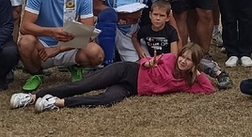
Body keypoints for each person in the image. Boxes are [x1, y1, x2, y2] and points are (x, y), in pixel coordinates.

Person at [11, 44, 213, 111]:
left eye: (189, 60)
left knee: (106, 100)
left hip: (132, 88)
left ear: (194, 64)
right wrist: (148, 63)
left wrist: (197, 72)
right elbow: (145, 62)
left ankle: (55, 102)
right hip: (128, 71)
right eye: (183, 56)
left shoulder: (188, 82)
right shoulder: (169, 58)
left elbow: (208, 89)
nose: (183, 61)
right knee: (84, 85)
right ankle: (32, 97)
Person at [17, 0, 103, 91]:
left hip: (70, 46)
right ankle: (36, 74)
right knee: (25, 42)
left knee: (96, 53)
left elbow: (87, 34)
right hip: (42, 47)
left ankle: (76, 66)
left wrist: (58, 49)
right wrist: (52, 32)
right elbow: (25, 27)